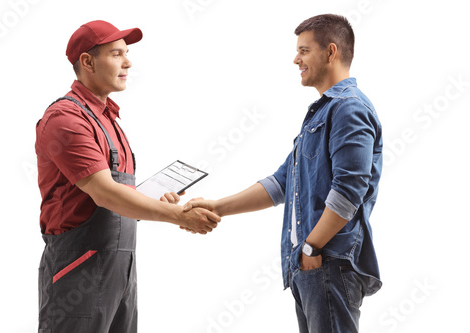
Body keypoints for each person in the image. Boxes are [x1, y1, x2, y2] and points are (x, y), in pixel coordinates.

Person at [183, 14, 383, 333]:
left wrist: (312, 247)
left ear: (330, 52)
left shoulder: (349, 109)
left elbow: (350, 190)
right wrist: (216, 207)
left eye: (304, 50)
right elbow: (280, 184)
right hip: (310, 267)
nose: (296, 59)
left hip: (328, 261)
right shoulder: (324, 113)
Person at [35, 20, 221, 333]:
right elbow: (105, 193)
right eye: (117, 53)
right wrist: (176, 215)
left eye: (127, 53)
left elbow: (113, 195)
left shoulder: (108, 118)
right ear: (88, 61)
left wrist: (151, 199)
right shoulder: (66, 119)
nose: (128, 62)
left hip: (121, 269)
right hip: (77, 268)